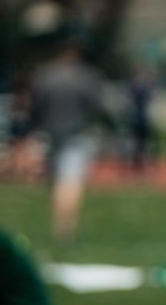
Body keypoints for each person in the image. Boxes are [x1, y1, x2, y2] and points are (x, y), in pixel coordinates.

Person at [26, 37, 111, 245]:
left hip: (50, 134)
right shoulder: (85, 77)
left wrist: (31, 131)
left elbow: (34, 107)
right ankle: (65, 228)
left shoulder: (44, 75)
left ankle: (59, 224)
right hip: (75, 134)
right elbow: (98, 107)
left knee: (56, 181)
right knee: (70, 181)